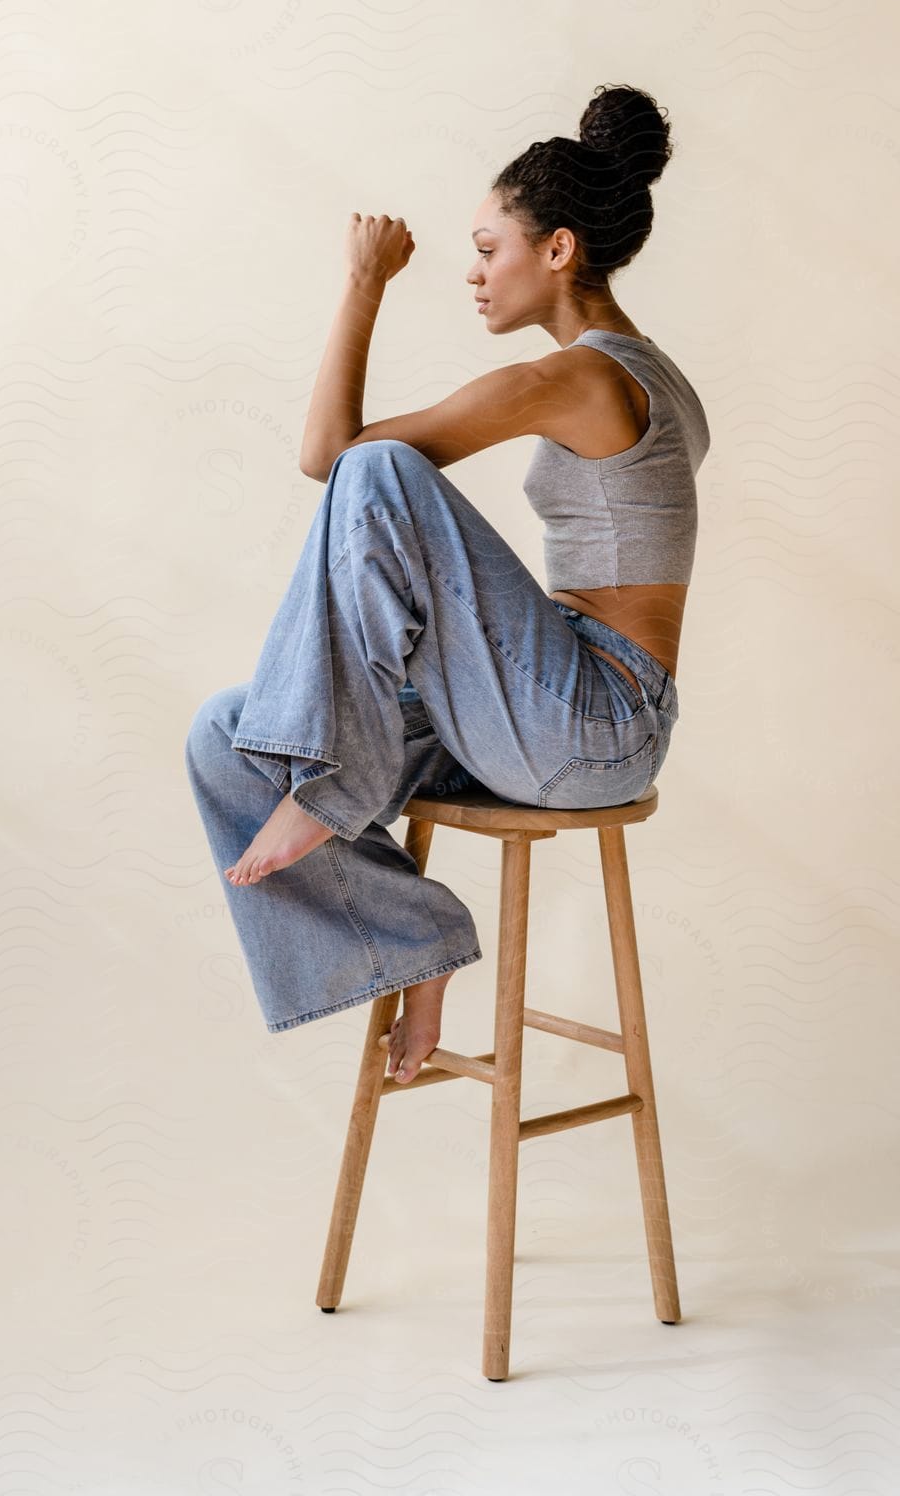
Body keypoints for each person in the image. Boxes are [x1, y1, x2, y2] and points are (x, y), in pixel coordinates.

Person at [184, 83, 710, 1085]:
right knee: (223, 735)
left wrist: (365, 280)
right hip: (552, 714)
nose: (472, 275)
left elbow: (331, 455)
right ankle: (416, 936)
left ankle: (330, 787)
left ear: (558, 250)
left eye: (486, 247)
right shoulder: (650, 372)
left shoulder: (582, 376)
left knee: (381, 474)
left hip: (595, 718)